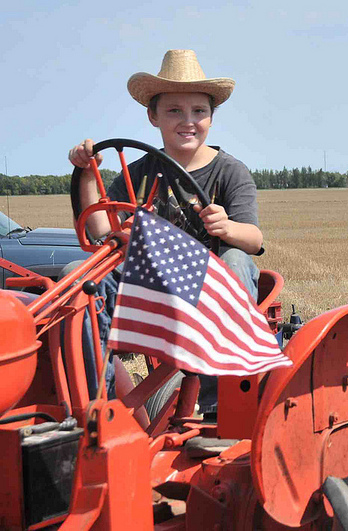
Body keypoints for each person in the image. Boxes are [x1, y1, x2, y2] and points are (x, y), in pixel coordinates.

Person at [67, 49, 263, 415]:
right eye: (174, 110)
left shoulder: (230, 172)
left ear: (211, 117)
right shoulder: (141, 170)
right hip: (153, 284)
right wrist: (87, 172)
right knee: (76, 279)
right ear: (152, 116)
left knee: (235, 257)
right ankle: (101, 404)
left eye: (199, 111)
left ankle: (220, 407)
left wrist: (227, 227)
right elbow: (101, 231)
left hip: (209, 284)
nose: (187, 121)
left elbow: (254, 239)